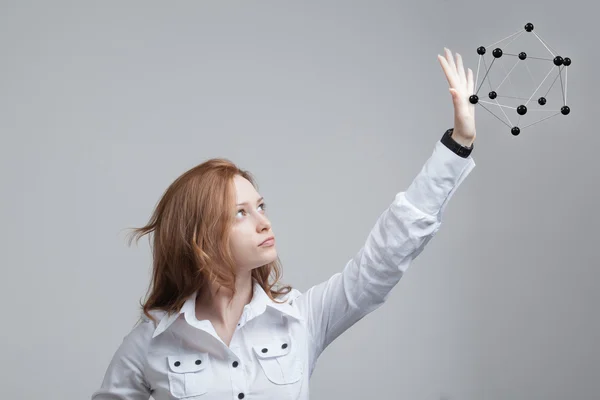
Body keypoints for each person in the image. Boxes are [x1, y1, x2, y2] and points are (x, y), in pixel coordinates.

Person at [91, 48, 476, 400]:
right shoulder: (153, 341)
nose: (263, 221)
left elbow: (384, 260)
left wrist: (457, 144)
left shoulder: (300, 317)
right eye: (240, 212)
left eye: (260, 206)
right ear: (201, 237)